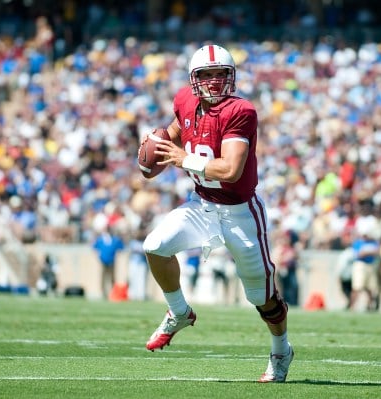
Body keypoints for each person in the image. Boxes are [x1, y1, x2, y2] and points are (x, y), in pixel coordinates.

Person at [139, 44, 293, 383]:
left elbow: (231, 170)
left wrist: (183, 159)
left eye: (219, 74)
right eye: (205, 75)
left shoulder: (241, 111)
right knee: (154, 246)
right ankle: (179, 312)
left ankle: (281, 349)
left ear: (231, 77)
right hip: (203, 205)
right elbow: (174, 136)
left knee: (262, 298)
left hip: (240, 212)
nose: (212, 81)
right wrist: (155, 153)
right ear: (194, 80)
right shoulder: (184, 101)